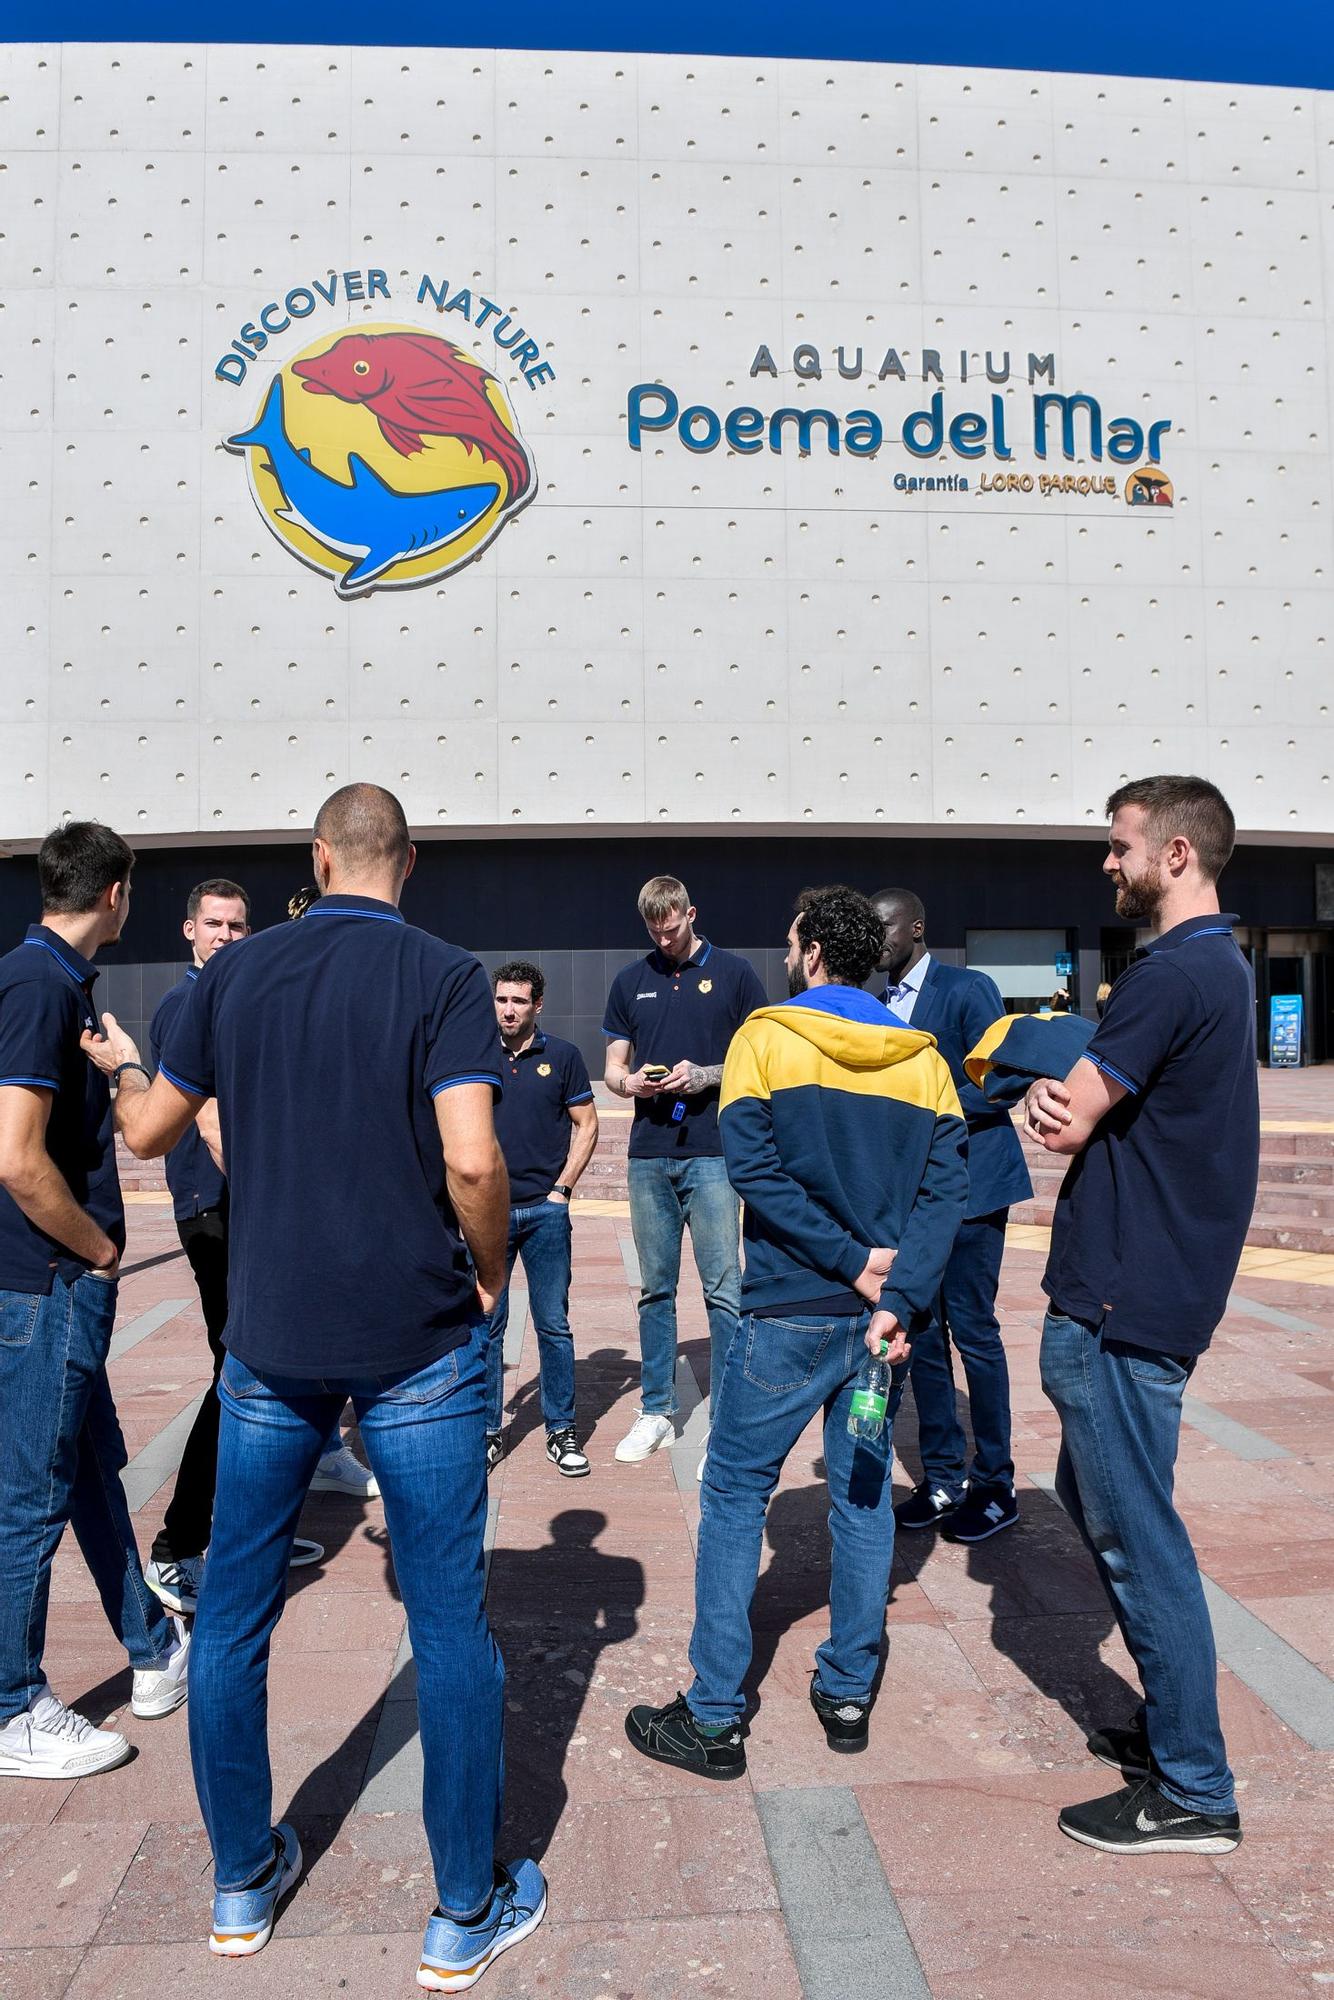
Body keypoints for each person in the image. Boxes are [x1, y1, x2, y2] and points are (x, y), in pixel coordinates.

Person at [85, 785, 545, 1984]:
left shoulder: (232, 977)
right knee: (448, 1629)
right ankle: (460, 1907)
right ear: (410, 862)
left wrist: (129, 1065)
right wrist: (490, 1273)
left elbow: (149, 1135)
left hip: (270, 1339)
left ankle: (241, 1881)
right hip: (419, 1339)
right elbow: (472, 1153)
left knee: (232, 1618)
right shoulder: (446, 974)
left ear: (317, 858)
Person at [625, 887, 967, 1775]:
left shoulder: (764, 1038)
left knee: (736, 1492)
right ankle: (848, 1689)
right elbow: (944, 1195)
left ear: (813, 952)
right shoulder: (924, 1059)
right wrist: (899, 1294)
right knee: (860, 1502)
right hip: (879, 1328)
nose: (785, 951)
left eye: (790, 940)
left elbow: (754, 1171)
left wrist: (850, 1262)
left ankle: (712, 1716)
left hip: (785, 1311)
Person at [1025, 775, 1257, 1857]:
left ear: (1173, 854)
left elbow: (1067, 1116)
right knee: (1104, 1500)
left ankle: (1193, 1785)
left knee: (1137, 1538)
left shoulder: (1171, 971)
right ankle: (1172, 1728)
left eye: (1117, 847)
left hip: (1127, 1296)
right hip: (1140, 1287)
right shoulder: (1216, 966)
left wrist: (1040, 1093)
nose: (1104, 864)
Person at [0, 821, 189, 1783]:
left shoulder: (53, 983)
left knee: (84, 1472)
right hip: (47, 1283)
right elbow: (17, 1157)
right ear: (116, 891)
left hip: (49, 1284)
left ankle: (151, 1646)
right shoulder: (38, 985)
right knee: (32, 1492)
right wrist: (102, 1248)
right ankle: (12, 1704)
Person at [141, 879, 369, 1619]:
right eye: (215, 925)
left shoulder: (237, 995)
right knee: (232, 1370)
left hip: (243, 1207)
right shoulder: (190, 1004)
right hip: (217, 1208)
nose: (229, 936)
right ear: (188, 931)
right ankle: (180, 1546)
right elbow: (208, 1122)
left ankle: (241, 1535)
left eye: (239, 924)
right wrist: (286, 1202)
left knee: (259, 1365)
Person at [872, 889, 1033, 1543]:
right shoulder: (875, 1004)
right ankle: (943, 1478)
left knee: (974, 1334)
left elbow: (1005, 1077)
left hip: (973, 1193)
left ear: (915, 925)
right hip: (914, 1202)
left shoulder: (968, 988)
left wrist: (927, 1105)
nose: (876, 939)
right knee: (926, 1339)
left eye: (884, 927)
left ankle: (996, 1484)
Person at [603, 876, 767, 1467]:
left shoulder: (735, 974)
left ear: (691, 913)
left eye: (671, 927)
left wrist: (706, 1075)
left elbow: (758, 1059)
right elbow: (613, 1069)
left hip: (715, 1152)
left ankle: (727, 1419)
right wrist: (631, 1082)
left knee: (724, 1289)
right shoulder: (630, 980)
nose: (663, 938)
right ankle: (656, 1410)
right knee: (655, 1290)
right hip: (649, 1152)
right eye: (653, 929)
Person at [486, 960, 599, 1478]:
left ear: (538, 1006)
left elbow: (588, 1124)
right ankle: (488, 1431)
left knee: (553, 1325)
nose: (509, 1009)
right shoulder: (476, 1053)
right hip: (487, 1215)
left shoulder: (564, 1056)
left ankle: (561, 1429)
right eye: (502, 999)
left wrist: (562, 1191)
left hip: (545, 1215)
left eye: (519, 1001)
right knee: (488, 1327)